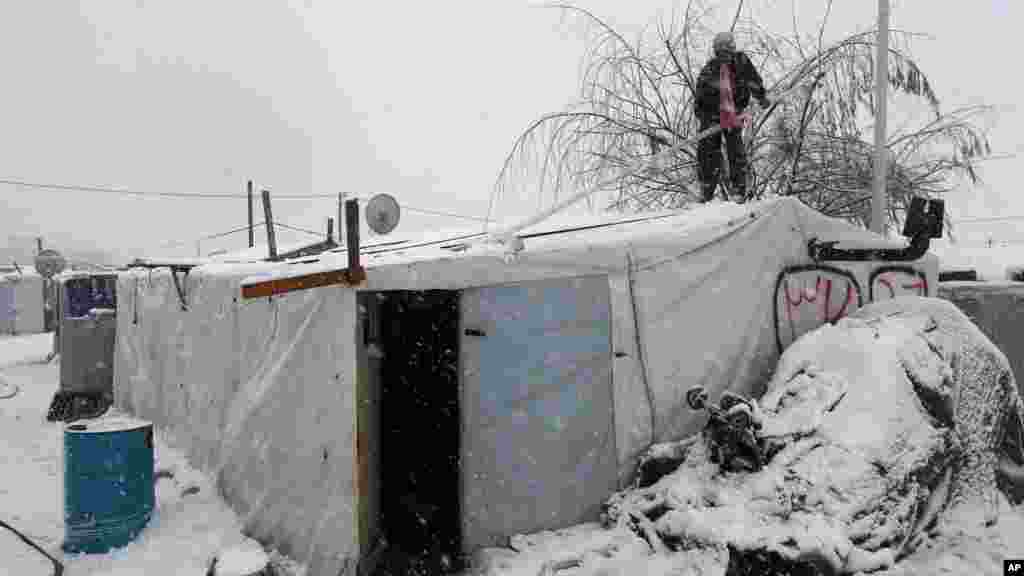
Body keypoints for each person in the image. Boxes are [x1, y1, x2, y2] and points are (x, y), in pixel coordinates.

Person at [694, 32, 770, 203]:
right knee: (707, 151)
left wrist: (761, 96)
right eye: (720, 53)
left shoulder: (740, 62)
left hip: (734, 112)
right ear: (716, 52)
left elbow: (752, 79)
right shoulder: (709, 70)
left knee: (735, 149)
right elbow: (699, 97)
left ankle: (739, 189)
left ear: (732, 50)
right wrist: (705, 119)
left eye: (727, 52)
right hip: (712, 115)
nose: (724, 56)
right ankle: (706, 190)